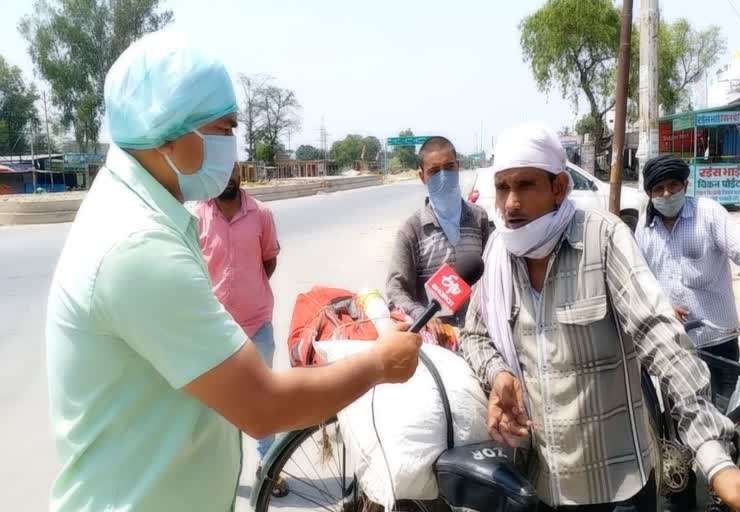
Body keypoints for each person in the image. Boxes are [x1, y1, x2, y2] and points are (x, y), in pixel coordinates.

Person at [45, 31, 421, 512]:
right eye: (223, 128)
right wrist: (377, 365)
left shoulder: (138, 206)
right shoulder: (137, 244)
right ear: (170, 132)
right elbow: (262, 406)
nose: (232, 147)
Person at [460, 122, 740, 512]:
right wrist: (498, 374)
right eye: (503, 187)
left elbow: (661, 338)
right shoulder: (496, 257)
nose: (511, 204)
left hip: (614, 487)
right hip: (538, 481)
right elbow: (473, 335)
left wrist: (716, 459)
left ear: (559, 188)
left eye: (525, 185)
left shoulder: (601, 239)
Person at [635, 154, 740, 412]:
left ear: (685, 185)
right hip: (674, 346)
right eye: (658, 189)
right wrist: (662, 307)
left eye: (673, 186)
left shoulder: (708, 214)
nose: (666, 194)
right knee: (682, 419)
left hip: (719, 343)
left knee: (729, 419)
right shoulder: (646, 227)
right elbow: (640, 278)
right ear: (649, 194)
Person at [193, 162, 287, 496]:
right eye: (222, 171)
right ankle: (223, 473)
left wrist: (248, 291)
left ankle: (270, 468)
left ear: (239, 174)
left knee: (263, 400)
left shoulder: (261, 214)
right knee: (217, 406)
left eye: (232, 171)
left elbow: (268, 261)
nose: (228, 177)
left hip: (257, 325)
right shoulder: (197, 217)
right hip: (215, 330)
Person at [386, 136, 491, 346]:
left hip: (481, 338)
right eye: (434, 171)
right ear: (422, 176)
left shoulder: (479, 218)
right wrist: (422, 315)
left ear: (458, 168)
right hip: (437, 346)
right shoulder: (411, 230)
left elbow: (492, 274)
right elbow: (395, 290)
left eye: (449, 167)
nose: (443, 177)